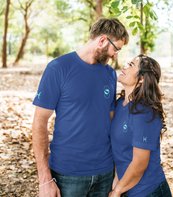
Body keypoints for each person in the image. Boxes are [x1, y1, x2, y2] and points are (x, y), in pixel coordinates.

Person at [32, 17, 129, 197]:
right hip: (67, 174)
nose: (116, 55)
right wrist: (45, 179)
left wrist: (118, 168)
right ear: (102, 41)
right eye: (115, 49)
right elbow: (39, 122)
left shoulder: (110, 74)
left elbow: (110, 121)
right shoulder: (58, 68)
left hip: (105, 172)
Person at [109, 54, 172, 197]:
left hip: (149, 191)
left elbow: (139, 164)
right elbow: (121, 151)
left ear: (142, 78)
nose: (124, 66)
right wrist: (117, 182)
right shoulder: (119, 104)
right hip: (127, 188)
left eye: (131, 65)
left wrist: (117, 191)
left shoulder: (144, 113)